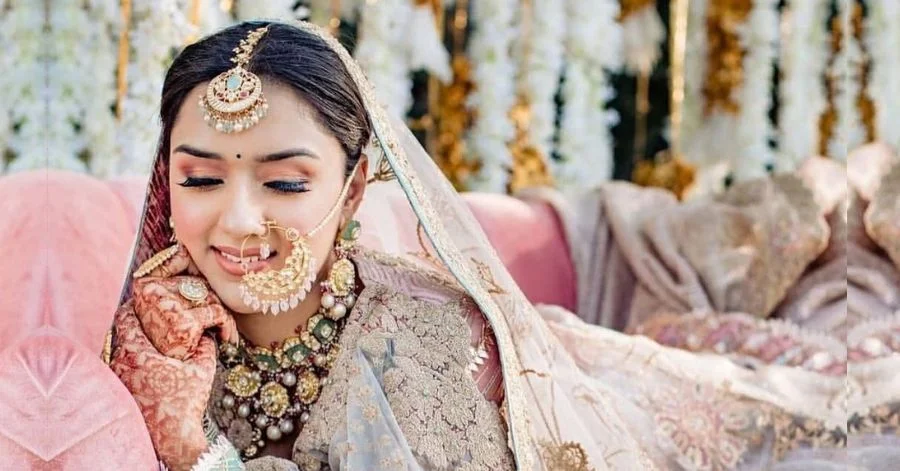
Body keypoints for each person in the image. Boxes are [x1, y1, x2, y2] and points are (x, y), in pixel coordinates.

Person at [107, 20, 860, 471]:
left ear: (356, 187)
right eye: (201, 178)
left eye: (286, 184)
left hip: (599, 413)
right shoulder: (158, 325)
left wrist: (192, 447)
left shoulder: (424, 344)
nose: (236, 221)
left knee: (834, 412)